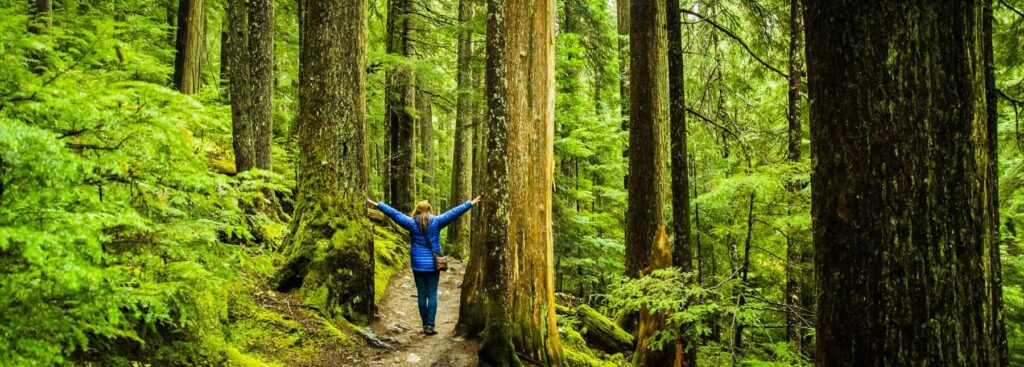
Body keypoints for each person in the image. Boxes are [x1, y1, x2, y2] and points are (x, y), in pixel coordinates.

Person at [367, 195, 481, 335]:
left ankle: (424, 325)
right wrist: (470, 203)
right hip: (433, 264)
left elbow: (394, 214)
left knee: (422, 294)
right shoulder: (437, 221)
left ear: (417, 210)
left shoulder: (411, 223)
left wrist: (378, 205)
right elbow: (454, 212)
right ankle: (430, 326)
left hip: (418, 264)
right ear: (430, 209)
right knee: (432, 294)